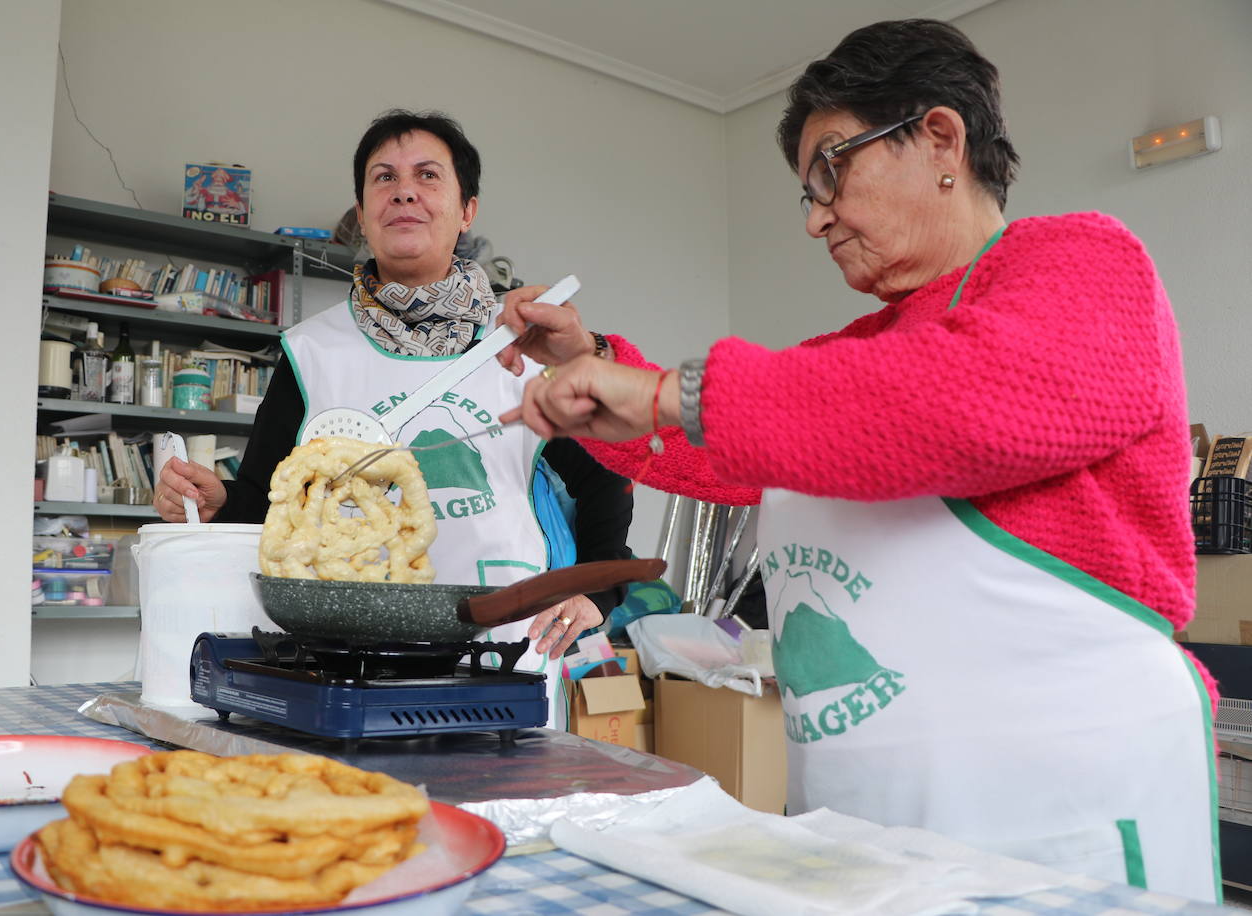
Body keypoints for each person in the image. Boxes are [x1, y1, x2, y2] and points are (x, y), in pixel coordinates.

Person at [497, 19, 1219, 902]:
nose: (814, 219)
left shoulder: (1082, 262)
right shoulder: (863, 348)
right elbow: (742, 439)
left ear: (941, 137)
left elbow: (970, 401)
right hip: (863, 826)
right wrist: (590, 362)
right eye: (805, 192)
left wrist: (661, 392)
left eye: (832, 171)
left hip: (1055, 819)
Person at [154, 110, 634, 728]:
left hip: (503, 651)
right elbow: (265, 502)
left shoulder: (525, 342)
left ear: (467, 211)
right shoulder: (311, 352)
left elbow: (606, 476)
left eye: (428, 175)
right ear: (363, 211)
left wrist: (598, 592)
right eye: (384, 178)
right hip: (343, 657)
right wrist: (216, 502)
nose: (404, 190)